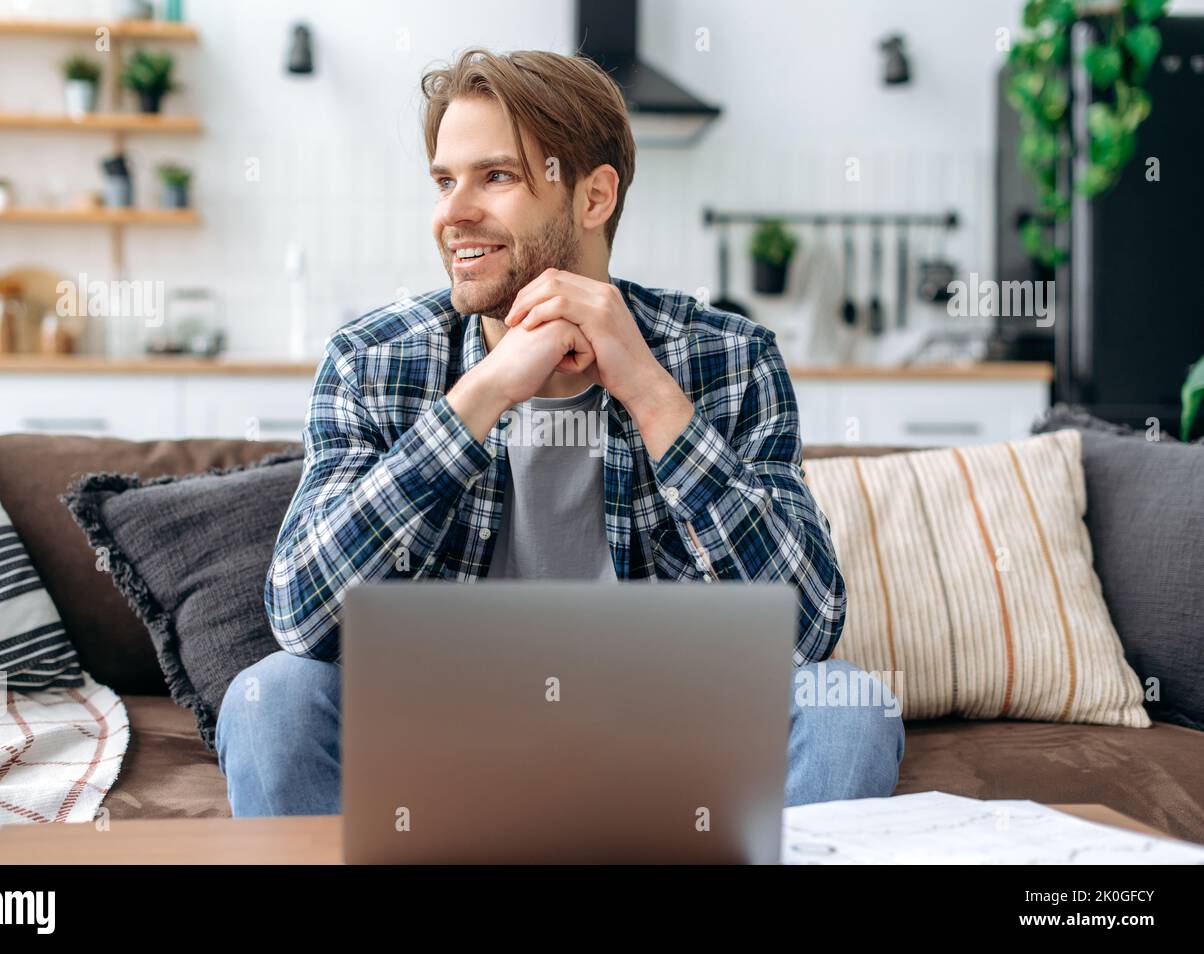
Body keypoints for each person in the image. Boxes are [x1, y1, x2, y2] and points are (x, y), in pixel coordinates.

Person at [217, 48, 904, 817]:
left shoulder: (730, 359)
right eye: (446, 181)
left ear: (594, 196)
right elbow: (300, 618)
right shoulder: (373, 362)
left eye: (496, 177)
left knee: (851, 707)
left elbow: (809, 630)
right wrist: (483, 394)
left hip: (662, 733)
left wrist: (650, 393)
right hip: (445, 732)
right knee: (268, 699)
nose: (454, 212)